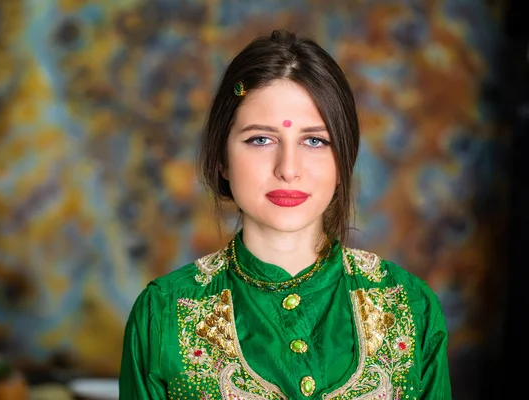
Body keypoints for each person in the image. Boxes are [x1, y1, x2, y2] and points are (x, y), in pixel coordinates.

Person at [119, 29, 452, 399]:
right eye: (261, 139)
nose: (288, 169)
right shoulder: (163, 314)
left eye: (315, 141)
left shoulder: (409, 307)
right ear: (222, 159)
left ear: (343, 159)